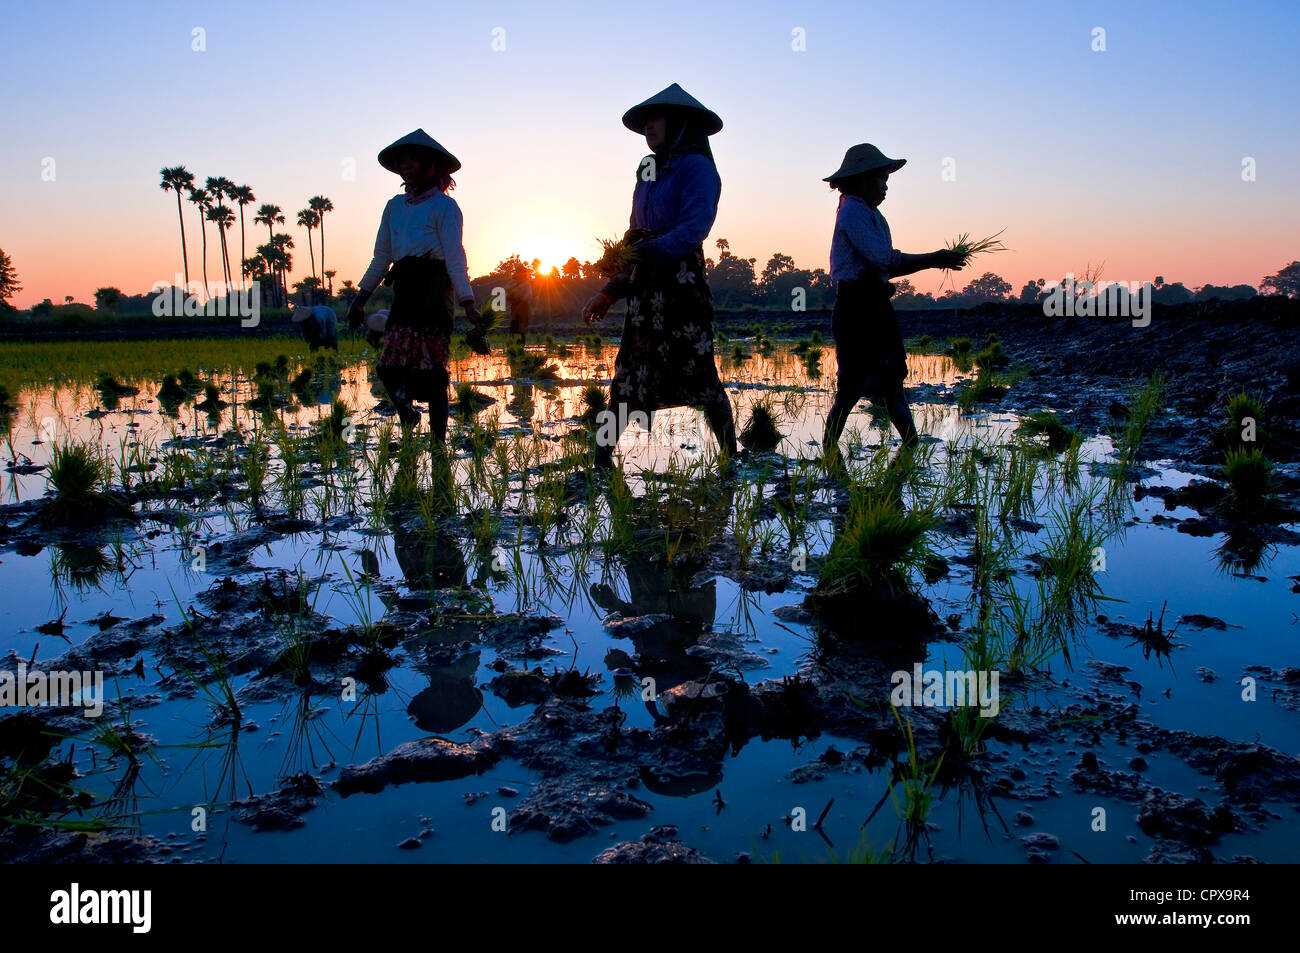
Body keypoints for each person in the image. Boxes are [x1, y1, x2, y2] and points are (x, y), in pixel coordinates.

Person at [582, 83, 737, 469]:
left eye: (657, 119)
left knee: (701, 378)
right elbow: (634, 230)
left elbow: (693, 230)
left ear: (681, 123)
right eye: (646, 121)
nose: (649, 127)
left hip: (681, 290)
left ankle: (732, 455)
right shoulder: (646, 169)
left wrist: (647, 252)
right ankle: (600, 462)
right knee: (626, 381)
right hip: (645, 295)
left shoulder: (698, 168)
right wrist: (611, 288)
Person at [820, 143, 966, 463]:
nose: (885, 186)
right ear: (861, 180)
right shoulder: (852, 211)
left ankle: (910, 444)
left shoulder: (871, 213)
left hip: (873, 307)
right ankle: (830, 450)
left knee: (892, 379)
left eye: (887, 180)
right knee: (851, 387)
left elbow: (878, 266)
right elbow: (884, 258)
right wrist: (934, 259)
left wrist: (881, 285)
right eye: (881, 179)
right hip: (856, 311)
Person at [347, 129, 476, 439]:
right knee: (388, 367)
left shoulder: (446, 208)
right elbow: (382, 257)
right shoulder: (394, 207)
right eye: (403, 160)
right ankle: (407, 414)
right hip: (405, 293)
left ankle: (438, 443)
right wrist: (359, 299)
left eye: (414, 159)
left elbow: (455, 258)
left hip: (435, 294)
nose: (407, 164)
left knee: (433, 374)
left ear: (433, 166)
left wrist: (469, 304)